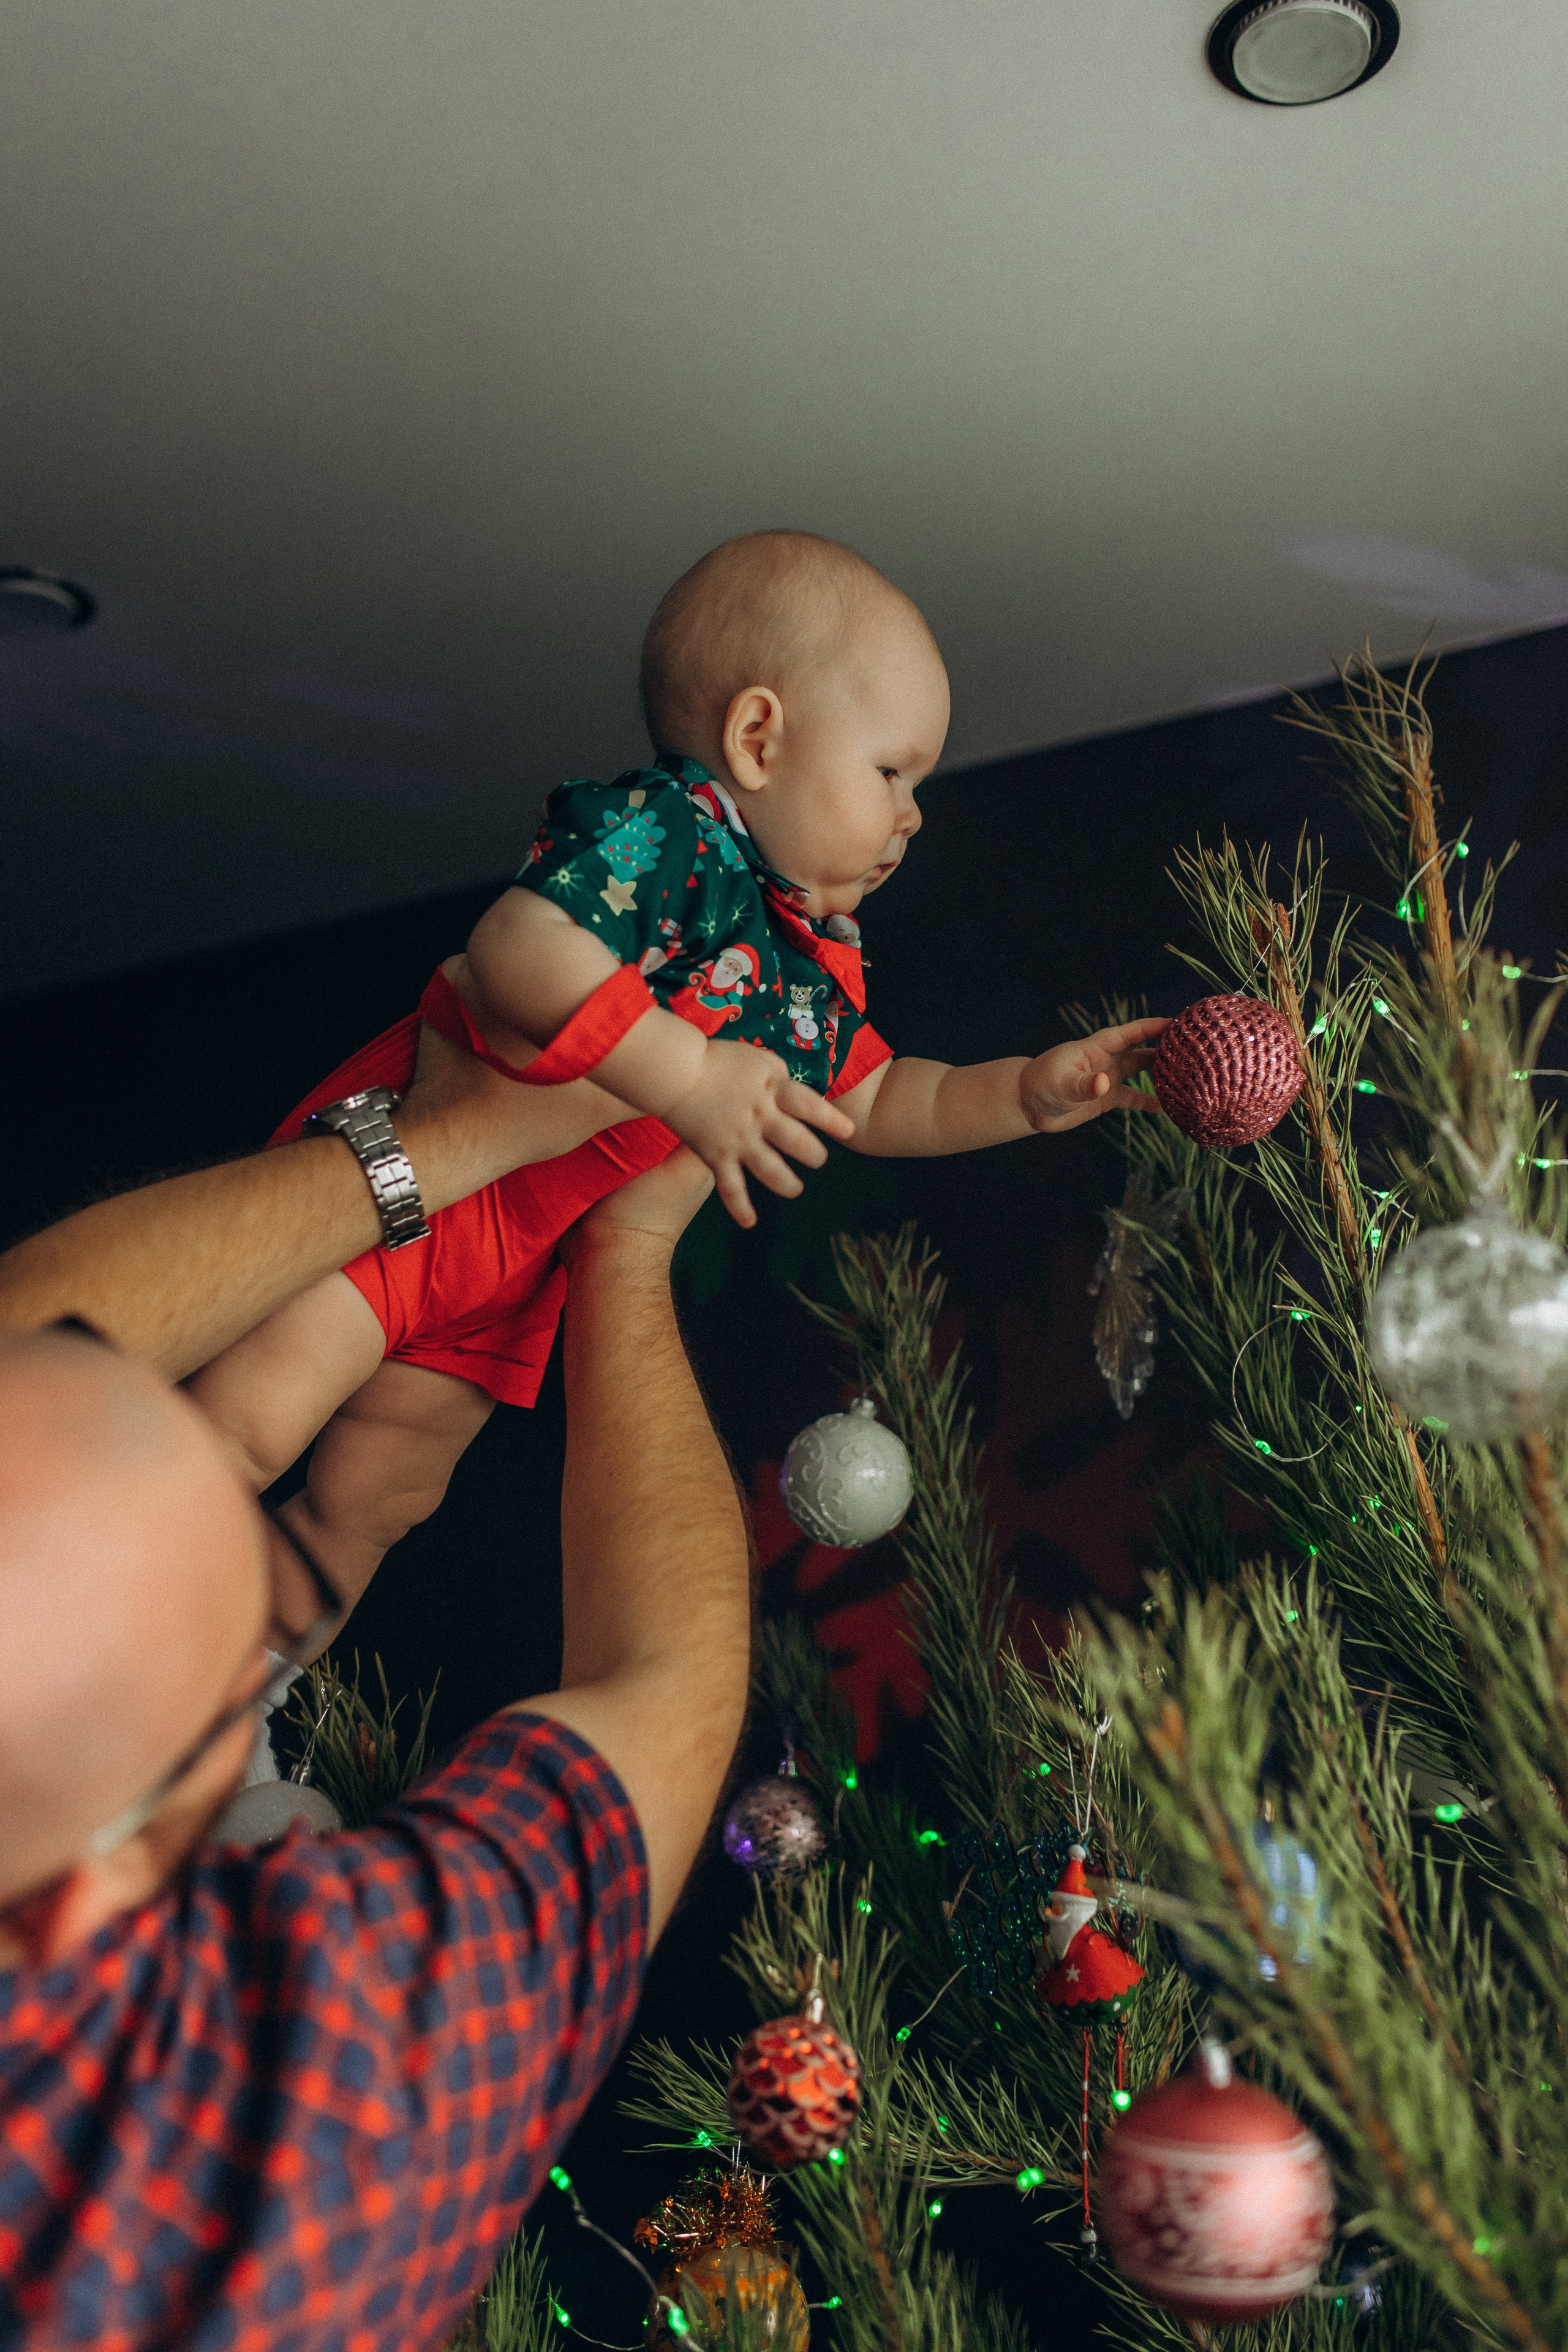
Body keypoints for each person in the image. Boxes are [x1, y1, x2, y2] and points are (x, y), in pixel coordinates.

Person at [189, 529, 1168, 1627]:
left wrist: (1028, 1094)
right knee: (249, 1422)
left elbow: (883, 1098)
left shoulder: (810, 955)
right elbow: (520, 948)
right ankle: (90, 1619)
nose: (913, 814)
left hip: (521, 1271)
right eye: (893, 770)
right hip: (409, 1194)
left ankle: (244, 1698)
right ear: (758, 739)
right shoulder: (670, 841)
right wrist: (689, 1070)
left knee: (383, 1496)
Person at [0, 1049, 748, 2352]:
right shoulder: (285, 2146)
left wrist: (452, 1149)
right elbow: (668, 1683)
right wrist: (618, 1241)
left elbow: (31, 1364)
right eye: (250, 1660)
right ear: (94, 1890)